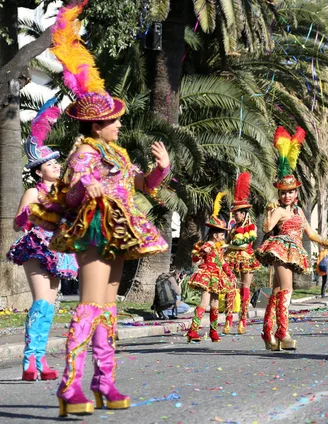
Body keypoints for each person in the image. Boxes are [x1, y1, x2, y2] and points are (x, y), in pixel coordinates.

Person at [42, 3, 171, 416]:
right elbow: (75, 187)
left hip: (119, 229)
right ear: (96, 125)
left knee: (109, 309)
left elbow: (140, 185)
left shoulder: (114, 149)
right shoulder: (83, 151)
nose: (120, 124)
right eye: (113, 120)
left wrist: (160, 171)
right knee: (91, 305)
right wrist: (91, 184)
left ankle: (105, 382)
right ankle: (70, 386)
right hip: (95, 230)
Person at [6, 100, 78, 381]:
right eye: (51, 164)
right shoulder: (32, 193)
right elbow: (17, 223)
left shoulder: (63, 193)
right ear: (39, 170)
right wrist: (31, 215)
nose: (56, 167)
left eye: (57, 163)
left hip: (57, 250)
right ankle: (28, 361)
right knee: (39, 303)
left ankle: (40, 357)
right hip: (36, 248)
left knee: (49, 306)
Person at [256, 126, 328, 351]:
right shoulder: (279, 211)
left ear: (296, 192)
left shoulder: (299, 212)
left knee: (277, 292)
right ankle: (282, 333)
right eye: (283, 192)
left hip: (294, 250)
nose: (287, 195)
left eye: (290, 191)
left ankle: (268, 333)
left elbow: (311, 234)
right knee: (287, 289)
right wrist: (268, 211)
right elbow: (266, 227)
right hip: (281, 250)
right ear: (279, 194)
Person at [186, 193, 236, 343]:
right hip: (208, 276)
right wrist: (202, 252)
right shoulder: (207, 244)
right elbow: (195, 258)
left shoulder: (219, 248)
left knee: (215, 304)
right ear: (215, 235)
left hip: (218, 277)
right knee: (204, 303)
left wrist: (230, 274)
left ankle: (213, 332)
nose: (223, 237)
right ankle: (192, 331)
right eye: (222, 234)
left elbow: (222, 263)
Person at [224, 172, 260, 334]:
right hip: (231, 259)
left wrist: (228, 245)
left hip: (246, 259)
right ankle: (229, 320)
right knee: (230, 288)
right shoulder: (232, 227)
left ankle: (243, 321)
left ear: (244, 213)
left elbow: (244, 243)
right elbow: (227, 242)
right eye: (234, 213)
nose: (235, 215)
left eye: (237, 213)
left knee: (245, 288)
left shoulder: (251, 228)